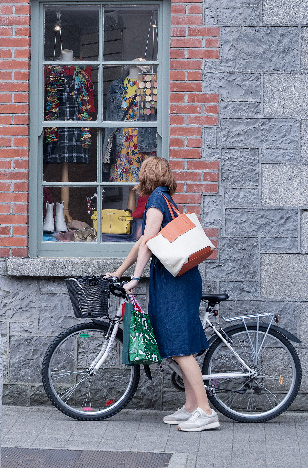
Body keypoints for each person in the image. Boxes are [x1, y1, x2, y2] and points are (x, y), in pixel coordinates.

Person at [109, 156, 218, 432]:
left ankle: (206, 412)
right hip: (177, 280)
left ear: (147, 175)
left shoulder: (157, 200)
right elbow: (142, 242)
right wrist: (120, 271)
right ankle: (191, 407)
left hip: (175, 283)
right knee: (178, 346)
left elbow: (147, 242)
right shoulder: (166, 199)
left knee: (180, 348)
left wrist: (135, 278)